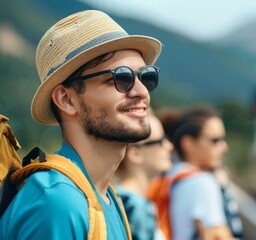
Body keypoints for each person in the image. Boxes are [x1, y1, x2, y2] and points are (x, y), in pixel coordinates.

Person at [0, 10, 162, 239]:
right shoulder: (57, 203)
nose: (142, 91)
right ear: (66, 100)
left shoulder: (104, 196)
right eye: (121, 78)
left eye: (146, 77)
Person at [159, 105, 243, 240]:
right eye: (215, 141)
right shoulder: (202, 182)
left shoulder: (170, 175)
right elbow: (217, 236)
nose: (224, 147)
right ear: (188, 143)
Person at [115, 112, 173, 240]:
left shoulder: (114, 197)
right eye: (160, 141)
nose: (169, 146)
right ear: (135, 154)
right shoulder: (135, 206)